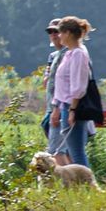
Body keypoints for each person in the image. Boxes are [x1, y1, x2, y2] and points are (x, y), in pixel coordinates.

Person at [48, 16, 96, 169]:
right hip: (65, 106)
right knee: (71, 150)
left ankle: (86, 185)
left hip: (73, 106)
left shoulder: (78, 54)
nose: (58, 36)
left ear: (68, 33)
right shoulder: (69, 53)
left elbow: (78, 85)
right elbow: (61, 84)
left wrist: (73, 110)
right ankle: (78, 185)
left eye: (60, 32)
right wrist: (56, 106)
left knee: (76, 151)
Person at [41, 17, 66, 148]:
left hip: (62, 106)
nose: (53, 34)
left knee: (58, 149)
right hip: (51, 104)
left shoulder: (68, 54)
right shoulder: (52, 56)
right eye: (50, 31)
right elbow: (47, 78)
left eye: (56, 31)